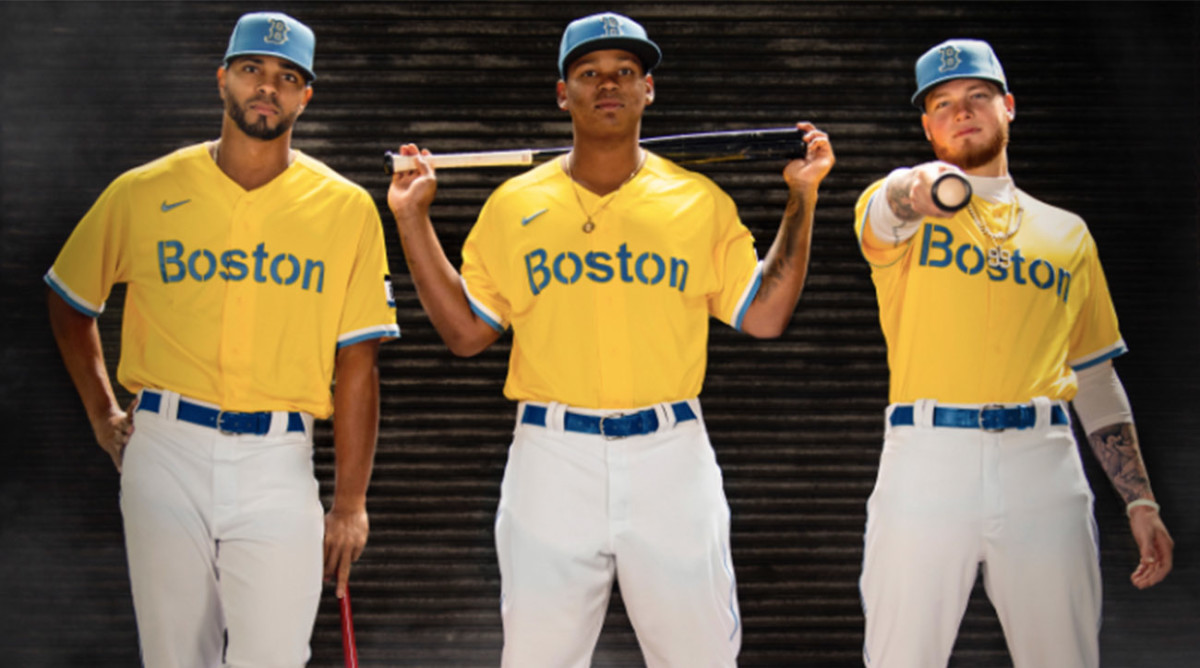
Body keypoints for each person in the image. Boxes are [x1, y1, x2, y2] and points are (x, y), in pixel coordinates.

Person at [387, 11, 834, 667]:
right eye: (589, 73)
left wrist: (803, 199)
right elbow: (465, 333)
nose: (608, 84)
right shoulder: (514, 203)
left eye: (625, 71)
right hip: (551, 455)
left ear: (647, 89)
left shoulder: (697, 200)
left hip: (671, 453)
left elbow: (764, 315)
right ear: (561, 93)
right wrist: (412, 220)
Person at [44, 12, 398, 667]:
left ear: (305, 97)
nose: (267, 87)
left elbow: (359, 360)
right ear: (222, 79)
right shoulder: (145, 189)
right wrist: (101, 412)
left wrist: (350, 503)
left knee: (275, 656)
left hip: (279, 456)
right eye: (251, 69)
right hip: (166, 448)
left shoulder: (345, 207)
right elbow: (70, 298)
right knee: (174, 656)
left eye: (286, 77)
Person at [853, 38, 1174, 668]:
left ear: (1009, 107)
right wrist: (919, 185)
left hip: (1042, 462)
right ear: (927, 127)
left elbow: (1095, 375)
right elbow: (890, 207)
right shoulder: (906, 215)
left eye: (978, 95)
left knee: (1064, 656)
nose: (961, 111)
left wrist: (1140, 500)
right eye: (942, 104)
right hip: (927, 457)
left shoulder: (1067, 233)